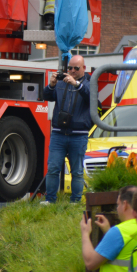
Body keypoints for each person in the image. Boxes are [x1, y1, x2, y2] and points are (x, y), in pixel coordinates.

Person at [80, 186, 137, 272]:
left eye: (118, 204)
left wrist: (85, 233)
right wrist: (108, 231)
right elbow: (123, 252)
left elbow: (90, 262)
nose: (117, 209)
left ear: (125, 204)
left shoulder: (119, 232)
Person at [42, 54, 91, 203]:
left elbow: (91, 97)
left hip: (79, 134)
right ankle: (50, 200)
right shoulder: (61, 82)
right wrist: (51, 85)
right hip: (59, 133)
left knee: (76, 172)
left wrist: (76, 84)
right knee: (53, 168)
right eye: (70, 68)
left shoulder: (89, 82)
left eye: (76, 68)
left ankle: (75, 202)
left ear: (83, 68)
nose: (72, 71)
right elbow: (47, 96)